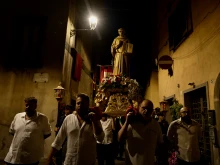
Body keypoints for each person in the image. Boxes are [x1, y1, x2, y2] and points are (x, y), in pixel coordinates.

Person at [46, 93, 104, 165]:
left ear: (88, 105)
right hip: (70, 162)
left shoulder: (93, 119)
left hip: (88, 162)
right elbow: (59, 140)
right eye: (78, 103)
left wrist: (94, 122)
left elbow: (100, 138)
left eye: (82, 103)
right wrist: (50, 157)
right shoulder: (69, 118)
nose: (80, 105)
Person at [4, 97, 52, 165]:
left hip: (31, 157)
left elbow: (47, 134)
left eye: (30, 105)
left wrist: (32, 139)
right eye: (26, 105)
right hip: (14, 155)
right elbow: (12, 132)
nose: (27, 107)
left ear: (35, 106)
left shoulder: (42, 119)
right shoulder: (18, 116)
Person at [118, 99, 163, 165]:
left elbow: (160, 143)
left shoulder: (156, 124)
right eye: (144, 108)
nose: (146, 111)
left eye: (149, 109)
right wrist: (127, 122)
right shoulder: (131, 123)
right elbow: (120, 138)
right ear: (139, 107)